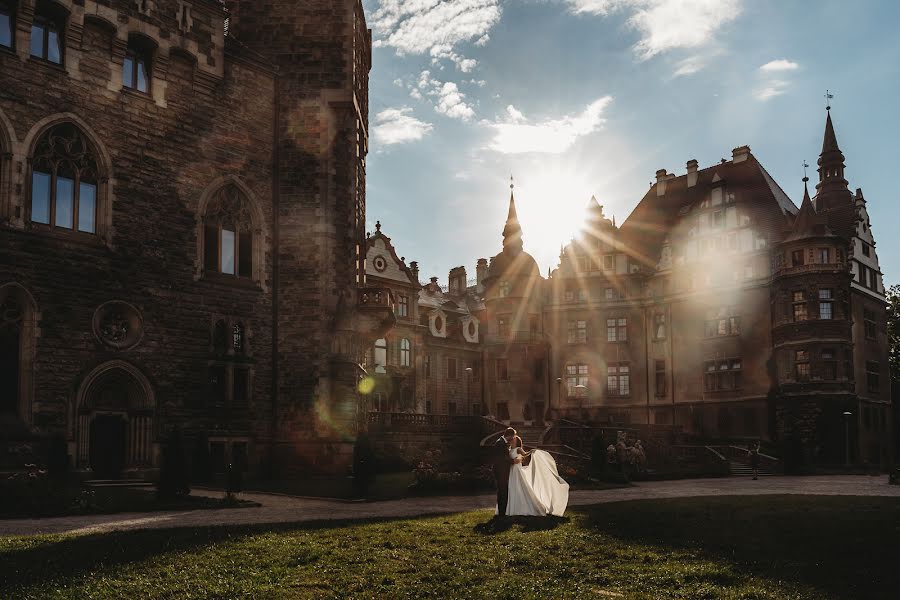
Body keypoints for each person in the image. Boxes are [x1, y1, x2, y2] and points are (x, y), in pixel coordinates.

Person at [502, 433, 569, 517]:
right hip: (511, 470)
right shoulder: (509, 449)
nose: (512, 440)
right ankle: (512, 507)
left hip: (516, 470)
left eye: (513, 439)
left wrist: (532, 451)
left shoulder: (518, 449)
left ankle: (527, 506)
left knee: (519, 485)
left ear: (517, 441)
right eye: (512, 439)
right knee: (512, 487)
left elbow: (525, 454)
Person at [491, 428, 518, 518]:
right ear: (509, 435)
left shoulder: (502, 442)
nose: (513, 438)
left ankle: (503, 511)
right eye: (513, 436)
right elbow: (503, 457)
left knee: (503, 490)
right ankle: (502, 512)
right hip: (500, 470)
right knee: (502, 491)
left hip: (502, 470)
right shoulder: (500, 443)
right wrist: (513, 461)